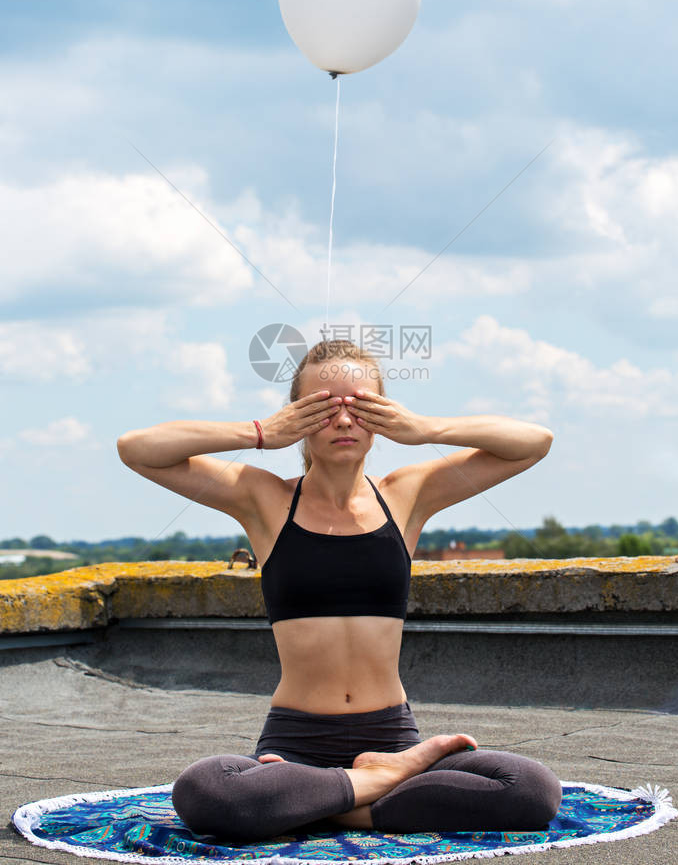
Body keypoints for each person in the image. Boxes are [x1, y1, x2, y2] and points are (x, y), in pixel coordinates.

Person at [117, 339, 562, 843]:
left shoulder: (406, 493)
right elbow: (136, 448)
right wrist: (262, 432)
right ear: (297, 415)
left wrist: (425, 430)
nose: (345, 421)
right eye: (323, 408)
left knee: (531, 789)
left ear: (382, 415)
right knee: (206, 792)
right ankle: (376, 788)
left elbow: (534, 441)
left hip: (391, 737)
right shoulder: (265, 498)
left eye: (361, 406)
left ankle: (324, 801)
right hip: (294, 745)